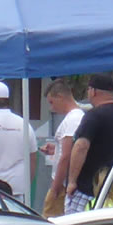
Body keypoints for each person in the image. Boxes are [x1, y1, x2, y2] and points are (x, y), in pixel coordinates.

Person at [58, 75, 113, 215]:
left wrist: (72, 181)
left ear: (93, 91)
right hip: (112, 191)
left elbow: (81, 146)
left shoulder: (94, 116)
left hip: (86, 190)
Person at [38, 80, 85, 214]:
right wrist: (56, 149)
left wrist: (55, 188)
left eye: (52, 102)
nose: (51, 108)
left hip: (62, 184)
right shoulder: (75, 117)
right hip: (63, 183)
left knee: (50, 217)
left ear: (60, 97)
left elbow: (66, 156)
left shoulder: (73, 119)